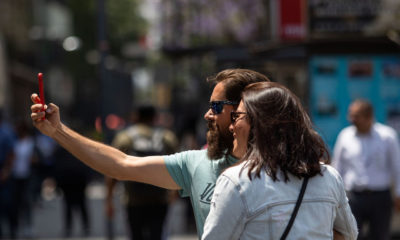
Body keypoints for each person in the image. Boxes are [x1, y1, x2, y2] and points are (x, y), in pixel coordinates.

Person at [29, 68, 270, 238]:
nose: (207, 115)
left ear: (245, 110)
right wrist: (57, 131)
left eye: (216, 107)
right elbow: (120, 165)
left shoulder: (290, 168)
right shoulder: (197, 164)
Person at [202, 82, 358, 240]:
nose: (231, 126)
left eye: (236, 116)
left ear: (259, 124)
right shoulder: (329, 177)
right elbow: (349, 235)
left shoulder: (236, 182)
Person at [105, 105, 179, 240]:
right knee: (157, 234)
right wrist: (174, 192)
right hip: (160, 198)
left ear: (136, 117)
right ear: (154, 117)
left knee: (136, 235)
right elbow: (178, 166)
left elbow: (112, 169)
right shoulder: (167, 137)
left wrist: (109, 200)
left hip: (133, 199)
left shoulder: (124, 138)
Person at [332, 99, 400, 240]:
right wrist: (335, 197)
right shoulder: (345, 136)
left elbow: (397, 167)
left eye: (356, 116)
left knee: (381, 236)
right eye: (351, 115)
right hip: (353, 197)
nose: (351, 119)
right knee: (352, 236)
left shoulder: (387, 136)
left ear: (369, 116)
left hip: (380, 197)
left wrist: (398, 194)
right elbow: (337, 169)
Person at [0, 109, 17, 239]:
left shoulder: (6, 132)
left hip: (4, 170)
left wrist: (6, 170)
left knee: (8, 203)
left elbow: (11, 154)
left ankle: (13, 231)